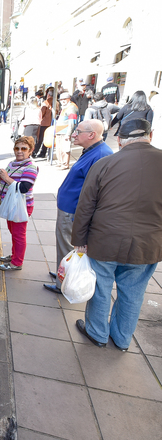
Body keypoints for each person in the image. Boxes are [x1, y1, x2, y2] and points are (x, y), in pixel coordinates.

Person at [72, 119, 162, 351]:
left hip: (105, 240)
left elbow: (86, 206)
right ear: (150, 135)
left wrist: (79, 240)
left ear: (120, 139)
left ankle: (97, 333)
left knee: (101, 288)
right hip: (148, 244)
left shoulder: (105, 164)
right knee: (133, 292)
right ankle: (122, 339)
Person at [42, 119, 112, 295]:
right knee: (64, 246)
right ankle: (62, 275)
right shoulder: (93, 151)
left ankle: (64, 285)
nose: (73, 134)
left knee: (68, 247)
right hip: (70, 208)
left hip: (73, 211)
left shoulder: (101, 155)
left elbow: (95, 191)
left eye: (77, 131)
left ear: (91, 135)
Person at [0, 136, 39, 271]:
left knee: (19, 234)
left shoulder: (31, 167)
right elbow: (6, 184)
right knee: (13, 232)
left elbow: (23, 188)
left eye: (24, 149)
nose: (20, 151)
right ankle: (15, 255)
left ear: (30, 150)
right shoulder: (12, 164)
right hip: (10, 203)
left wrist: (6, 178)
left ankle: (17, 262)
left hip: (22, 205)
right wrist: (0, 178)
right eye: (17, 148)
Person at [55, 92, 78, 169]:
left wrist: (68, 133)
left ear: (69, 99)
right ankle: (61, 161)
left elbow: (72, 122)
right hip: (60, 131)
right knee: (59, 148)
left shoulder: (71, 107)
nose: (63, 101)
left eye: (65, 99)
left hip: (65, 131)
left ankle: (65, 163)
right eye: (61, 99)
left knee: (65, 148)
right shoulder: (65, 107)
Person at [34, 88, 54, 158]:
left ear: (48, 94)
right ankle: (43, 152)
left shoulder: (46, 103)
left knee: (40, 139)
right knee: (47, 139)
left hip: (43, 123)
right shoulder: (56, 102)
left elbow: (42, 113)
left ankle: (35, 152)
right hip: (50, 123)